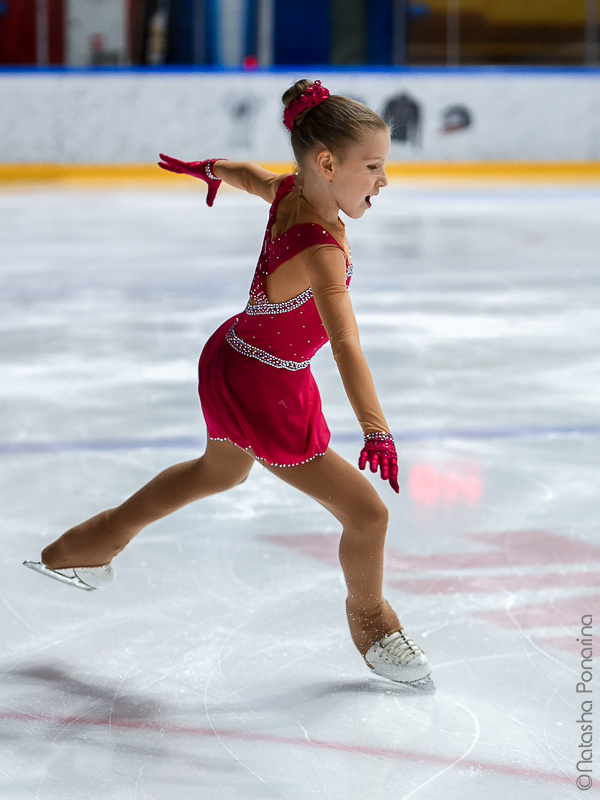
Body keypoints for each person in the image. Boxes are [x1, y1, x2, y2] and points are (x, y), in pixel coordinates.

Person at [24, 80, 431, 684]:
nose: (383, 180)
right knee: (368, 515)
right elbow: (345, 342)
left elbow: (251, 176)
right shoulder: (320, 249)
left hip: (239, 356)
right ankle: (372, 624)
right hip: (263, 388)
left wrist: (211, 169)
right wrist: (376, 429)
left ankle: (86, 546)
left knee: (217, 471)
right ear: (327, 162)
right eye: (373, 166)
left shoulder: (293, 191)